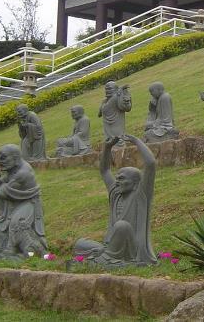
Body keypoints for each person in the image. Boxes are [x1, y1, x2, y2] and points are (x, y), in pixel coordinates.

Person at [72, 134, 157, 268]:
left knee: (122, 225)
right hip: (112, 245)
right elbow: (105, 170)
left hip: (133, 250)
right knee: (80, 244)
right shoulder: (116, 193)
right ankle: (106, 255)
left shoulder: (141, 195)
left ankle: (105, 258)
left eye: (121, 178)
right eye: (117, 178)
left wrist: (136, 141)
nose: (117, 181)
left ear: (135, 183)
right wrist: (107, 147)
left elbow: (151, 164)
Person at [0, 144, 47, 260]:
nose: (0, 162)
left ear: (15, 158)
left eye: (3, 158)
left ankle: (17, 249)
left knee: (17, 223)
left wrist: (0, 182)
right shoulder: (12, 169)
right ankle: (4, 247)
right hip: (16, 202)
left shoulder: (23, 173)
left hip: (29, 203)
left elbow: (3, 192)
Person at [99, 81, 132, 145]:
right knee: (109, 140)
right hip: (107, 126)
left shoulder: (117, 97)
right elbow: (99, 113)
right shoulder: (105, 101)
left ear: (116, 89)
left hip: (117, 123)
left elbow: (127, 108)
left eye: (110, 89)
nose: (108, 91)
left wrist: (126, 98)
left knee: (118, 139)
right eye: (106, 89)